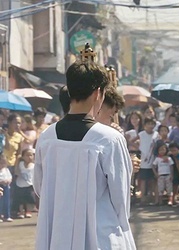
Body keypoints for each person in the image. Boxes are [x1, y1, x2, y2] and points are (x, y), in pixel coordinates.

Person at [33, 61, 136, 249]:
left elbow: (40, 187)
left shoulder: (46, 137)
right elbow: (120, 197)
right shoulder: (109, 139)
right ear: (98, 93)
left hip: (57, 233)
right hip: (99, 233)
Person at [132, 118, 159, 205]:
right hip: (144, 160)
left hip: (154, 160)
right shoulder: (141, 134)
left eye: (152, 124)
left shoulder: (156, 134)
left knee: (153, 180)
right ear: (145, 126)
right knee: (143, 180)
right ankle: (143, 198)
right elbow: (131, 141)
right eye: (148, 124)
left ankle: (153, 198)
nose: (150, 126)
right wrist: (138, 147)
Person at [14, 148, 35, 219]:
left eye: (31, 155)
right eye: (27, 155)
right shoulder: (20, 164)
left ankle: (28, 211)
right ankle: (21, 211)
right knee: (20, 199)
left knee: (29, 198)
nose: (29, 157)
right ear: (23, 157)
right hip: (20, 184)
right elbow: (16, 171)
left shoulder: (33, 165)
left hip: (29, 184)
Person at [152, 141, 174, 206]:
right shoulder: (157, 159)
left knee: (169, 188)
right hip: (160, 175)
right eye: (160, 150)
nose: (162, 151)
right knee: (160, 189)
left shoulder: (169, 158)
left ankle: (170, 200)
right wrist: (156, 173)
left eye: (163, 149)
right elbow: (153, 166)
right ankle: (160, 201)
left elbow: (171, 166)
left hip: (168, 175)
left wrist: (172, 174)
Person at [0, 153, 12, 222]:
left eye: (3, 163)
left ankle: (7, 216)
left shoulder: (6, 170)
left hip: (6, 187)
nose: (2, 165)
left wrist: (8, 181)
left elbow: (10, 177)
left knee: (7, 201)